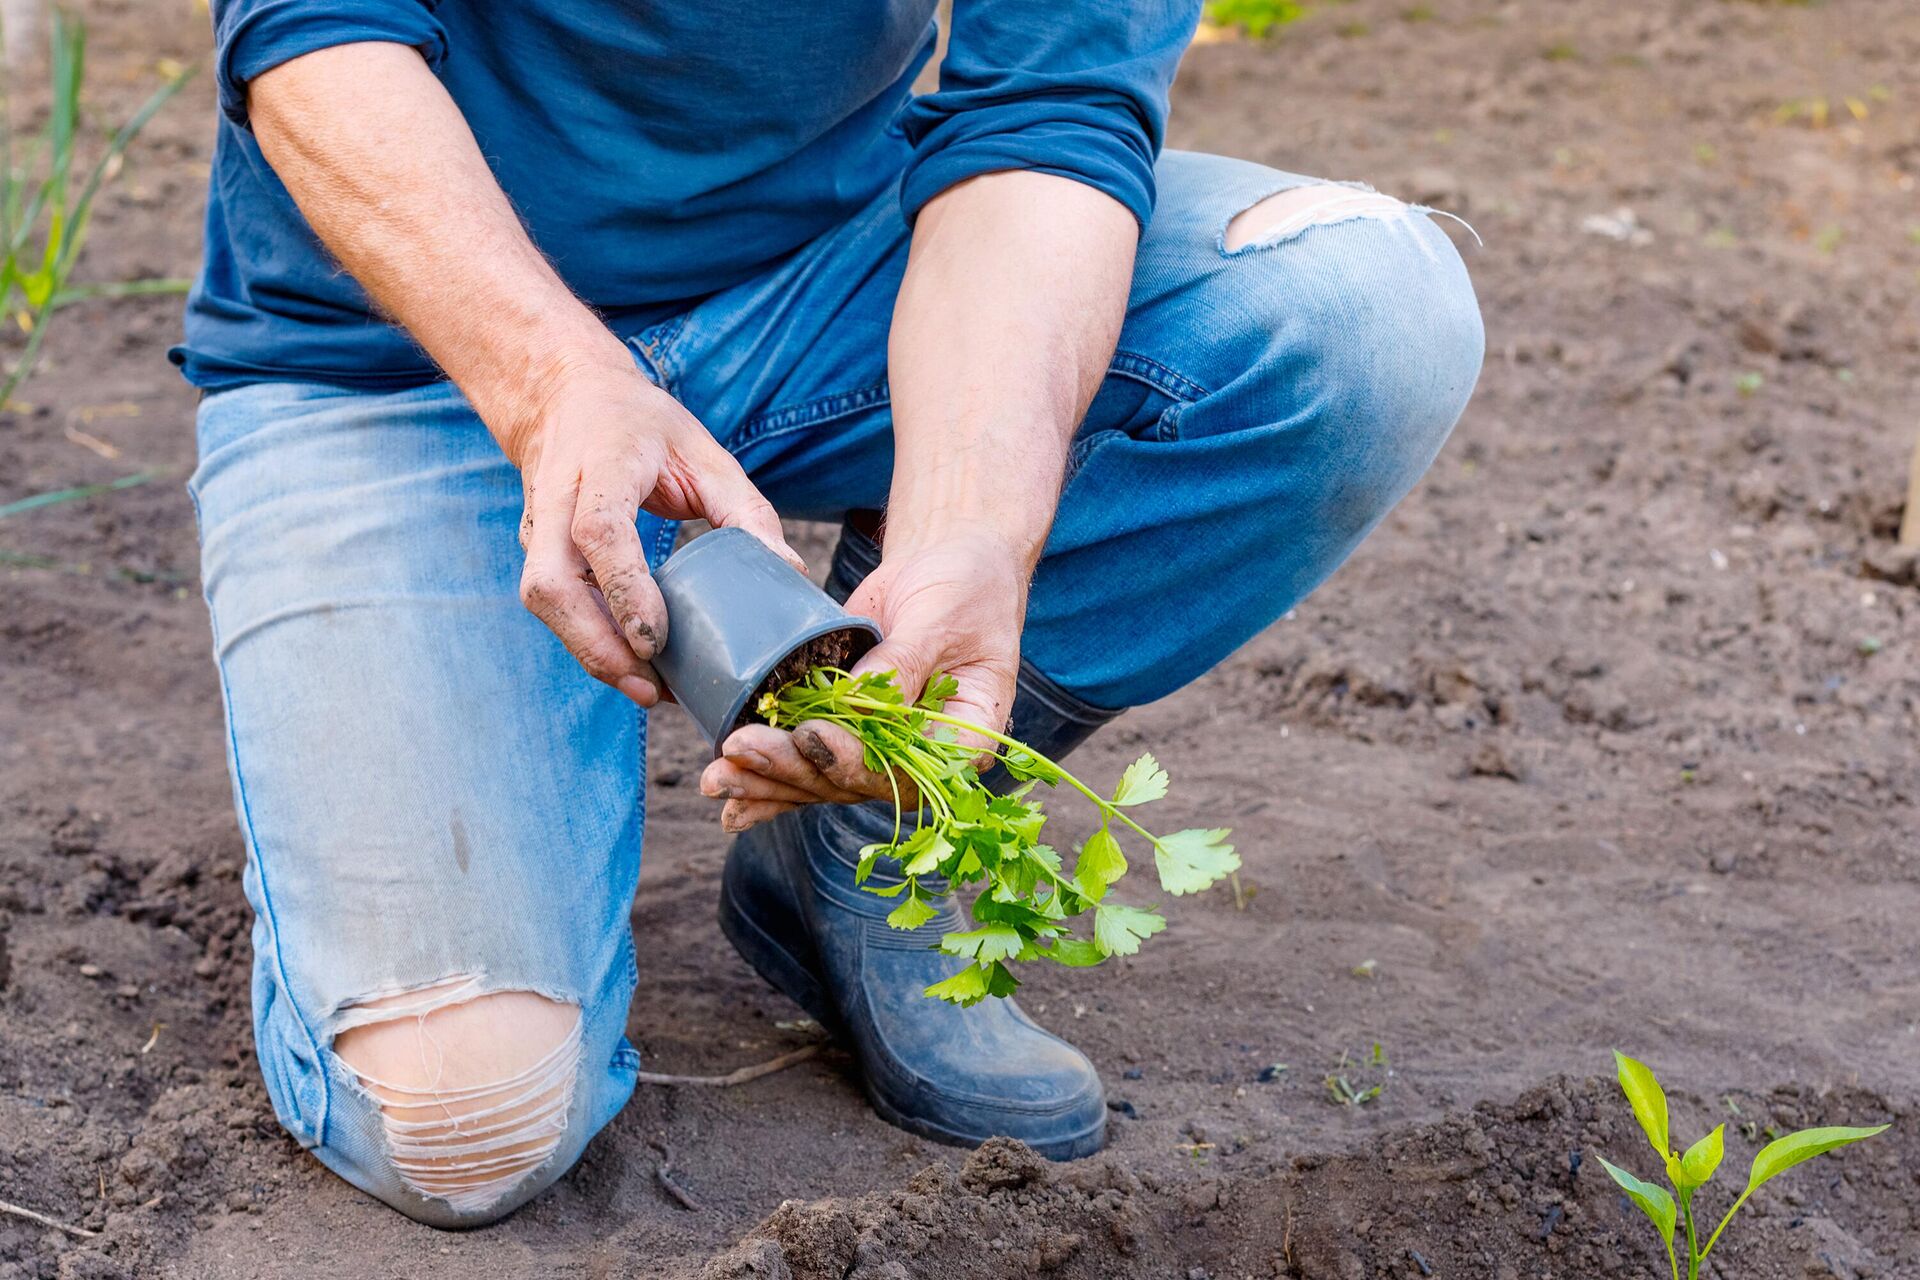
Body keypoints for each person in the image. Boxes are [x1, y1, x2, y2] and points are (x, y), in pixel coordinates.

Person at [181, 0, 1483, 1228]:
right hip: (398, 354)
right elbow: (312, 32)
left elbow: (1047, 122)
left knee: (1355, 319)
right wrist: (549, 381)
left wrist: (967, 533)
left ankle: (870, 831)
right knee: (470, 1121)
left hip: (829, 276)